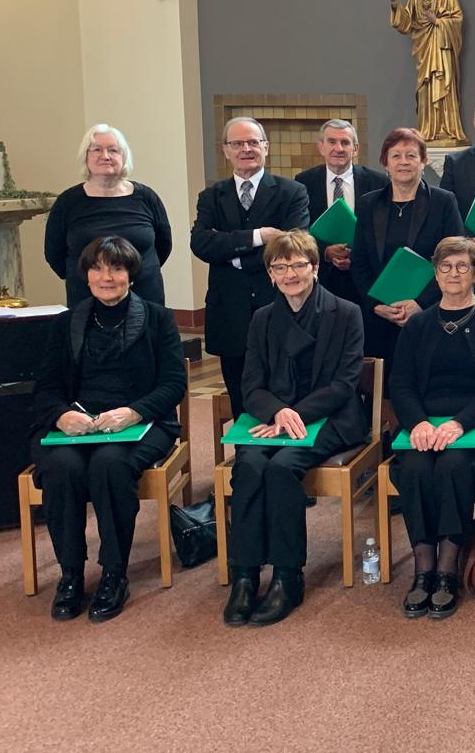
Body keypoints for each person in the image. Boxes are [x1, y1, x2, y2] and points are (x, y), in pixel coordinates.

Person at [31, 236, 186, 622]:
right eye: (97, 268)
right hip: (78, 424)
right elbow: (46, 387)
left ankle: (114, 573)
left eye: (116, 268)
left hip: (141, 423)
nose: (106, 277)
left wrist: (133, 412)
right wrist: (61, 416)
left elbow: (173, 384)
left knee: (109, 465)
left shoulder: (158, 318)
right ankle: (71, 574)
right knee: (62, 467)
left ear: (131, 275)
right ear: (85, 276)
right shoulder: (66, 323)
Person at [223, 230, 366, 627]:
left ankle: (288, 576)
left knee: (282, 466)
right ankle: (245, 574)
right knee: (249, 464)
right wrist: (277, 412)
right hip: (272, 417)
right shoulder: (262, 319)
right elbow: (251, 385)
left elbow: (344, 383)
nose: (290, 274)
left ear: (315, 268)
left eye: (298, 264)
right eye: (280, 266)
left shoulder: (346, 313)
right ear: (270, 274)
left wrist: (294, 414)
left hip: (330, 417)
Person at [388, 236, 475, 620]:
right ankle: (423, 565)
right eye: (445, 266)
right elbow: (401, 383)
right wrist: (417, 423)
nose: (453, 273)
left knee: (452, 465)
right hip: (425, 422)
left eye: (463, 266)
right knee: (415, 466)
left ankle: (448, 567)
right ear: (435, 273)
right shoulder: (418, 325)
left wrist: (460, 423)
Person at [190, 117, 310, 417]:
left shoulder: (292, 192)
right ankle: (243, 443)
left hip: (279, 307)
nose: (246, 149)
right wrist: (258, 236)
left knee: (287, 391)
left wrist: (230, 253)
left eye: (253, 142)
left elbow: (293, 246)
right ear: (225, 150)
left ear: (266, 147)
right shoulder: (211, 197)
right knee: (239, 395)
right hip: (229, 312)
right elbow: (201, 244)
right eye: (237, 143)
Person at [351, 128, 462, 370]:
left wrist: (420, 303)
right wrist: (375, 305)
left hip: (430, 316)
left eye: (411, 155)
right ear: (385, 163)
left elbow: (454, 260)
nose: (404, 162)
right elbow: (359, 262)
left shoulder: (444, 202)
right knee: (382, 386)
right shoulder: (368, 204)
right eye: (396, 156)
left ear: (423, 161)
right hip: (380, 319)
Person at [44, 124, 173, 307]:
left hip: (145, 295)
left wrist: (134, 272)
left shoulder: (146, 197)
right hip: (86, 299)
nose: (105, 156)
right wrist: (89, 278)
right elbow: (54, 253)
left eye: (113, 150)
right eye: (97, 150)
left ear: (124, 156)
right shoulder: (68, 202)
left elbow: (163, 245)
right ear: (86, 157)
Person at [294, 119, 388, 309]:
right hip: (322, 278)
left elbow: (385, 229)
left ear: (355, 149)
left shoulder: (378, 182)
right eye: (332, 142)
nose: (338, 148)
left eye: (345, 142)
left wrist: (357, 253)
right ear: (321, 147)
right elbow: (300, 230)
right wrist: (326, 252)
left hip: (366, 280)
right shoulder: (303, 182)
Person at [388, 0, 466, 145]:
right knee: (425, 88)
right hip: (424, 52)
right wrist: (395, 4)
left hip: (442, 51)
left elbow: (457, 19)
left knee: (443, 86)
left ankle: (446, 130)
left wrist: (438, 21)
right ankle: (428, 131)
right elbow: (406, 24)